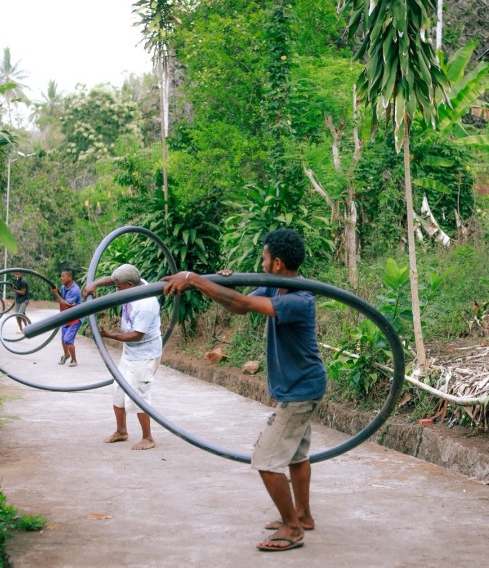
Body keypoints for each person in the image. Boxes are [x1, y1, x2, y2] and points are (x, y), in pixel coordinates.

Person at [162, 229, 326, 553]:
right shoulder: (279, 283)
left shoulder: (298, 298)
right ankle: (303, 515)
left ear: (277, 263)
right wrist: (218, 282)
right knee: (296, 454)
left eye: (264, 257)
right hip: (300, 386)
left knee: (265, 460)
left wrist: (194, 278)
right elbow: (237, 304)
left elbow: (242, 303)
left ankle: (292, 528)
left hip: (300, 392)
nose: (261, 262)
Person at [83, 264, 162, 451]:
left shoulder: (146, 304)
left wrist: (110, 335)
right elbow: (114, 279)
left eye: (119, 288)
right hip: (130, 353)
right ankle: (121, 431)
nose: (116, 290)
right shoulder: (135, 282)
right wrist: (94, 284)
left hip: (144, 355)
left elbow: (137, 335)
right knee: (118, 390)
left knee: (138, 396)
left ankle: (148, 438)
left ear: (128, 285)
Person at [50, 268, 82, 367]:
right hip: (65, 316)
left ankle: (74, 360)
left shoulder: (75, 290)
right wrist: (57, 291)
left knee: (68, 339)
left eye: (63, 276)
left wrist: (55, 294)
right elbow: (62, 298)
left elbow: (65, 303)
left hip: (75, 318)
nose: (61, 278)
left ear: (70, 277)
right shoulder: (64, 286)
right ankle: (66, 355)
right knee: (63, 339)